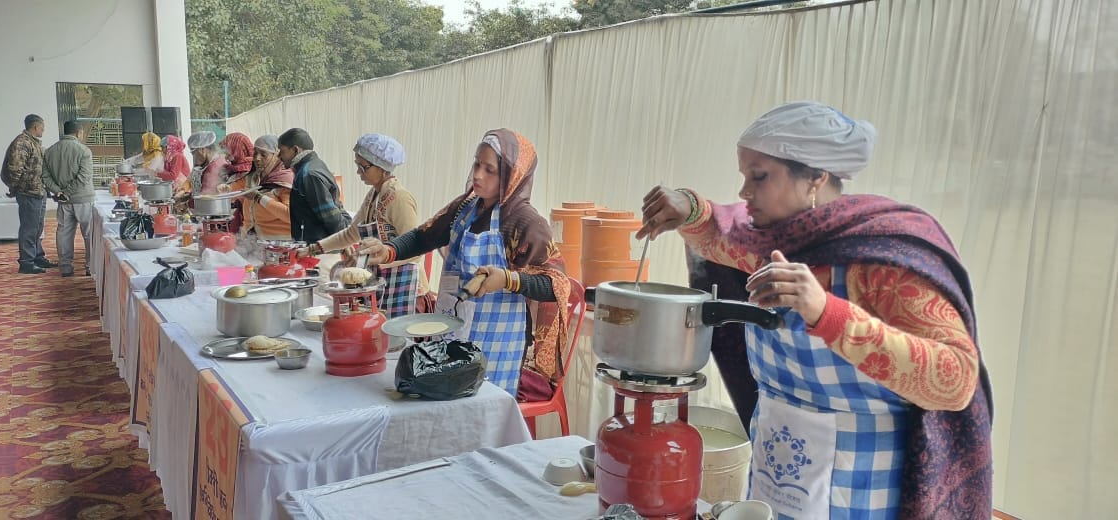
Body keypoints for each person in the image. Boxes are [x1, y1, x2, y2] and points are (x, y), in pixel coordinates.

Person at [637, 102, 992, 519]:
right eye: (744, 176)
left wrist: (826, 311)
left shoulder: (883, 259)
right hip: (777, 472)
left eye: (759, 177)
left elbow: (956, 380)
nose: (744, 192)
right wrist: (687, 206)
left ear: (816, 178)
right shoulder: (766, 242)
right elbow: (718, 231)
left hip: (862, 491)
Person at [357, 129, 570, 397]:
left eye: (490, 170)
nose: (478, 175)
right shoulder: (466, 208)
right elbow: (424, 236)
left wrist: (507, 279)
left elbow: (557, 286)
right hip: (452, 326)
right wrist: (388, 250)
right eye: (476, 164)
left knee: (483, 409)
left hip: (495, 340)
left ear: (511, 175)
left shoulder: (525, 223)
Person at [305, 133, 423, 317]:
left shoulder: (400, 198)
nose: (359, 171)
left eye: (364, 166)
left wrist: (372, 258)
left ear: (383, 168)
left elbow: (415, 251)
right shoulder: (373, 196)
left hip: (404, 285)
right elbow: (351, 233)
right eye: (357, 165)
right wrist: (314, 249)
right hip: (381, 281)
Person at [0, 114, 56, 274]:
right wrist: (15, 188)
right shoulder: (22, 143)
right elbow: (14, 169)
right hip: (28, 192)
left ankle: (38, 257)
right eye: (42, 127)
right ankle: (26, 262)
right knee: (29, 228)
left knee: (38, 227)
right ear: (35, 126)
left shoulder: (33, 143)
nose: (44, 130)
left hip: (38, 191)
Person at [41, 121, 95, 277]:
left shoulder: (50, 151)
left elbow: (45, 176)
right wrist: (68, 191)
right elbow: (84, 177)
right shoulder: (84, 151)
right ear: (78, 133)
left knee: (64, 234)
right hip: (83, 199)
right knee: (89, 234)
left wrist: (59, 192)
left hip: (64, 202)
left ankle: (65, 268)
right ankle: (90, 267)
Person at [277, 128, 350, 243]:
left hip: (320, 248)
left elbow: (329, 215)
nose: (279, 156)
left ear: (296, 150)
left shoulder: (309, 174)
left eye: (282, 151)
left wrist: (346, 240)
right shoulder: (312, 166)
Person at [236, 135, 294, 240]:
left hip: (278, 244)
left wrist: (259, 197)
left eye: (263, 155)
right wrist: (225, 189)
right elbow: (234, 191)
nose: (257, 159)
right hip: (251, 243)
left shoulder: (285, 180)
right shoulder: (253, 178)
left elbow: (290, 215)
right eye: (255, 154)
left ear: (276, 156)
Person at [217, 132, 255, 232]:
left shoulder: (250, 172)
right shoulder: (231, 169)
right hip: (230, 223)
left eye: (227, 152)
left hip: (245, 227)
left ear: (237, 150)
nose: (225, 156)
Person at [184, 130, 229, 196]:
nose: (194, 157)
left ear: (202, 150)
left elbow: (206, 197)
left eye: (194, 153)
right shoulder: (215, 161)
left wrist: (186, 203)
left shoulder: (214, 168)